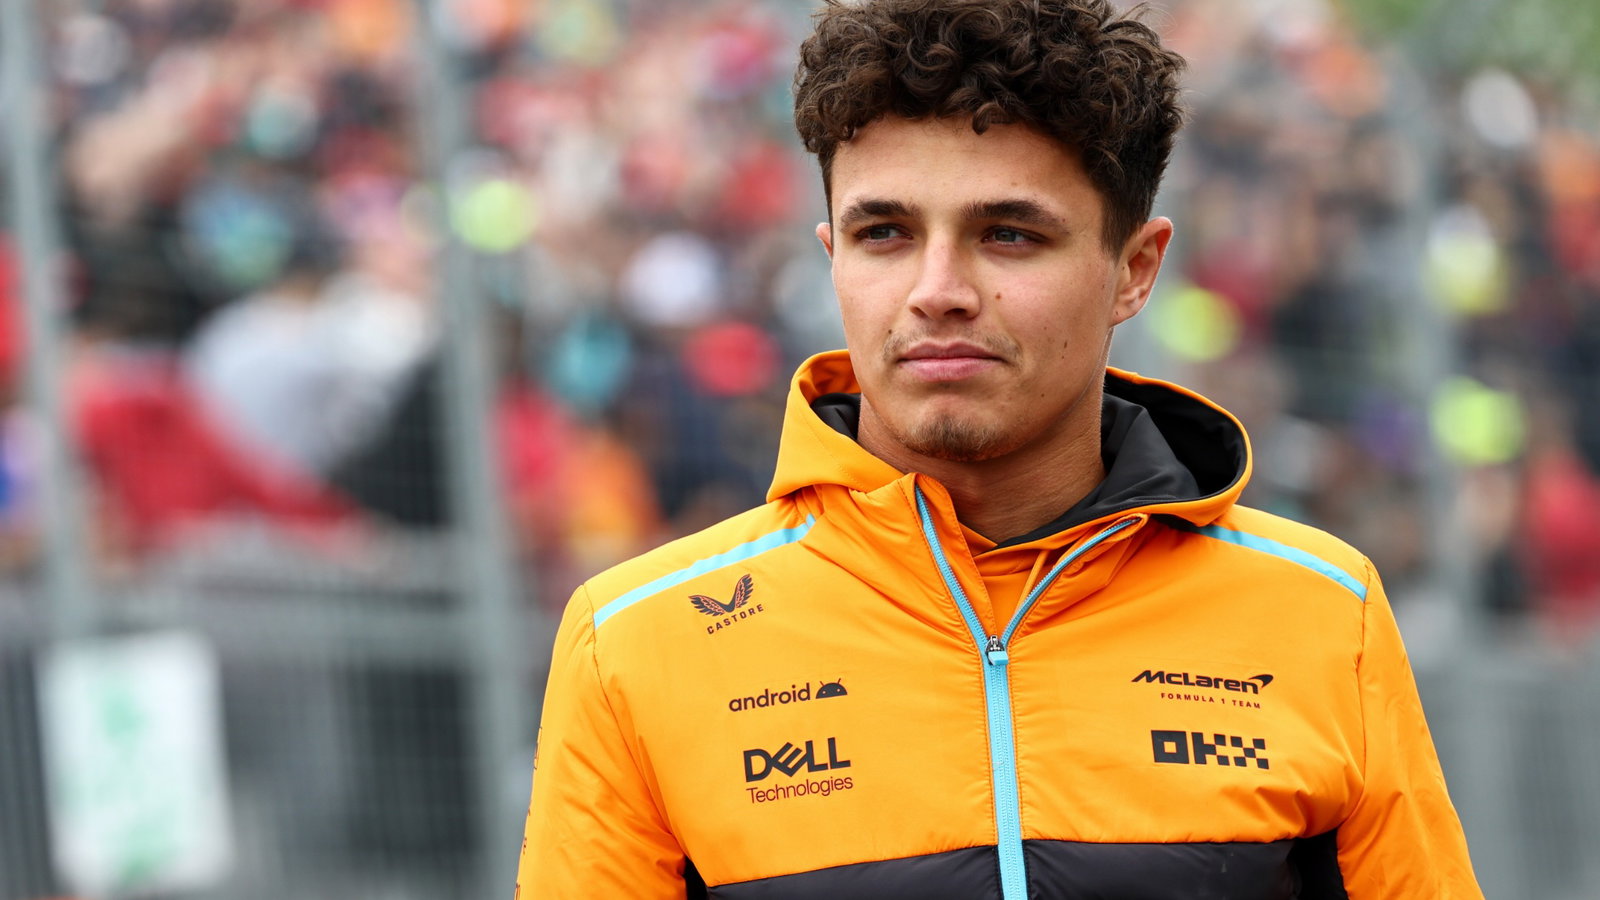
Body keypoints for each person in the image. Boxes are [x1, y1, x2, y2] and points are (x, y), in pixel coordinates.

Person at [516, 0, 1483, 896]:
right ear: (832, 257)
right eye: (885, 233)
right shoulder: (635, 645)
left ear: (1134, 270)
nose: (937, 290)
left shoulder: (1324, 614)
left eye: (1010, 234)